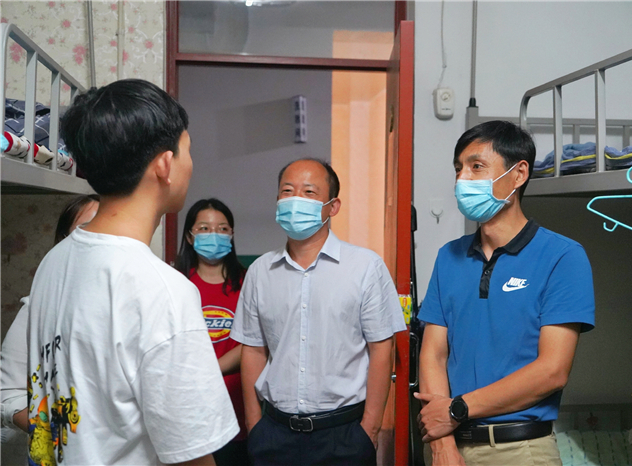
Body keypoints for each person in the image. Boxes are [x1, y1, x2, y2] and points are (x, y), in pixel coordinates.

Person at [26, 79, 237, 466]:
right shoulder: (163, 290)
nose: (191, 163)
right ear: (165, 164)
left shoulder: (54, 261)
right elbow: (191, 455)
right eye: (188, 150)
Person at [415, 121, 595, 466]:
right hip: (447, 446)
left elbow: (552, 371)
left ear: (518, 174)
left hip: (520, 449)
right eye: (458, 168)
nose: (462, 179)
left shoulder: (562, 256)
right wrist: (441, 442)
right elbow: (433, 354)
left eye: (476, 167)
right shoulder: (448, 257)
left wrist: (456, 409)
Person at [230, 158, 406, 466]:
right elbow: (254, 350)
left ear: (332, 206)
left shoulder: (365, 267)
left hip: (344, 434)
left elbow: (382, 348)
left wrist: (370, 428)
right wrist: (254, 424)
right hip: (273, 434)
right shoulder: (260, 271)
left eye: (309, 192)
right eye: (287, 191)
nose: (296, 199)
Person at [1, 194, 99, 465]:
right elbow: (8, 394)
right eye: (86, 229)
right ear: (62, 242)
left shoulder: (136, 305)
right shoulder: (38, 308)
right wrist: (57, 435)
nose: (98, 238)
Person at [176, 198, 249, 466]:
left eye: (222, 229)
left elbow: (255, 342)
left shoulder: (248, 282)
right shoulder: (175, 283)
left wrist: (211, 370)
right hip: (187, 407)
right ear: (189, 236)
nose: (214, 235)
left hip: (235, 408)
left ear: (232, 235)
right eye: (204, 228)